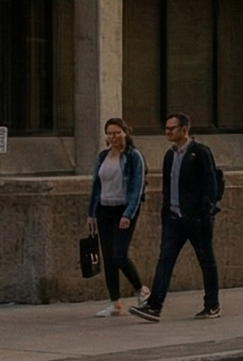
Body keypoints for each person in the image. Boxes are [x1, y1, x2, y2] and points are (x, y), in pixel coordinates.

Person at [131, 113, 223, 323]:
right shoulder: (169, 156)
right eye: (166, 128)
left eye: (172, 128)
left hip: (196, 219)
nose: (168, 132)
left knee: (206, 261)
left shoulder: (200, 153)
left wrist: (204, 212)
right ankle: (154, 306)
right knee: (164, 260)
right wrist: (166, 214)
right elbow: (166, 187)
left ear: (184, 130)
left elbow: (211, 186)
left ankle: (212, 304)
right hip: (173, 219)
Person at [85, 118, 146, 317]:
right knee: (109, 258)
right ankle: (115, 301)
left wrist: (128, 213)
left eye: (117, 133)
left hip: (124, 209)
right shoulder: (103, 156)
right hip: (104, 209)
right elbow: (96, 186)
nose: (113, 137)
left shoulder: (133, 156)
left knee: (119, 254)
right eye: (109, 134)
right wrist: (91, 213)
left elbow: (136, 188)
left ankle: (141, 290)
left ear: (125, 133)